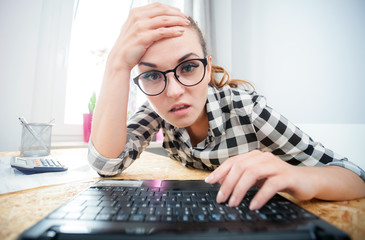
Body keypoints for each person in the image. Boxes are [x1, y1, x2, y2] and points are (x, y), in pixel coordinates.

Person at [89, 3, 365, 210]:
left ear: (208, 68)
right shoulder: (155, 111)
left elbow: (355, 177)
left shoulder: (248, 110)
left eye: (188, 67)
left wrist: (298, 175)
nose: (173, 91)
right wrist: (117, 64)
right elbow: (107, 164)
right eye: (151, 75)